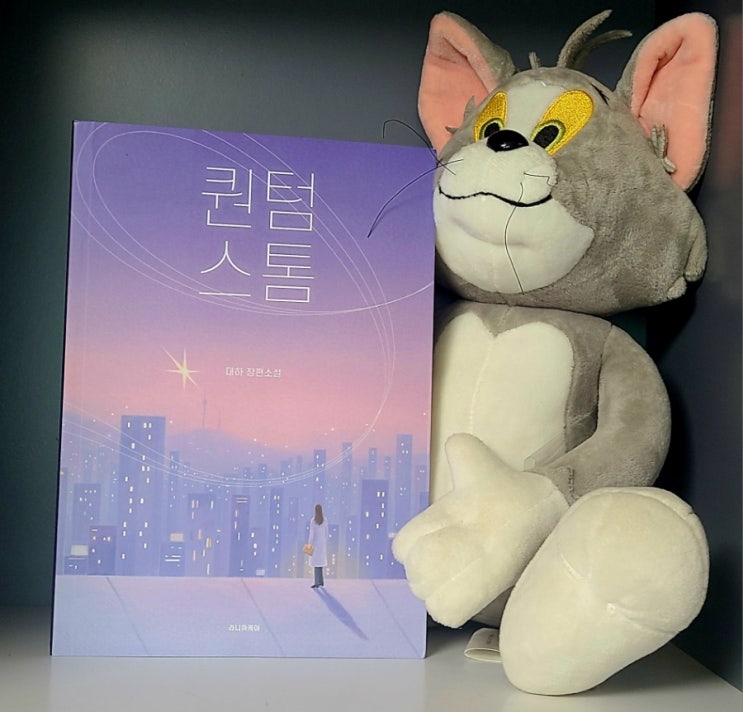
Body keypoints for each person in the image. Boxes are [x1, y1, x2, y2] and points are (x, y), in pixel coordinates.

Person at [307, 504, 328, 588]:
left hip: (315, 543)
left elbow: (312, 533)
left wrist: (310, 543)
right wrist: (325, 541)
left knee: (316, 564)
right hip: (322, 543)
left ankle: (317, 582)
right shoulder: (325, 520)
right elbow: (326, 532)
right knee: (320, 563)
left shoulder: (313, 521)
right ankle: (321, 582)